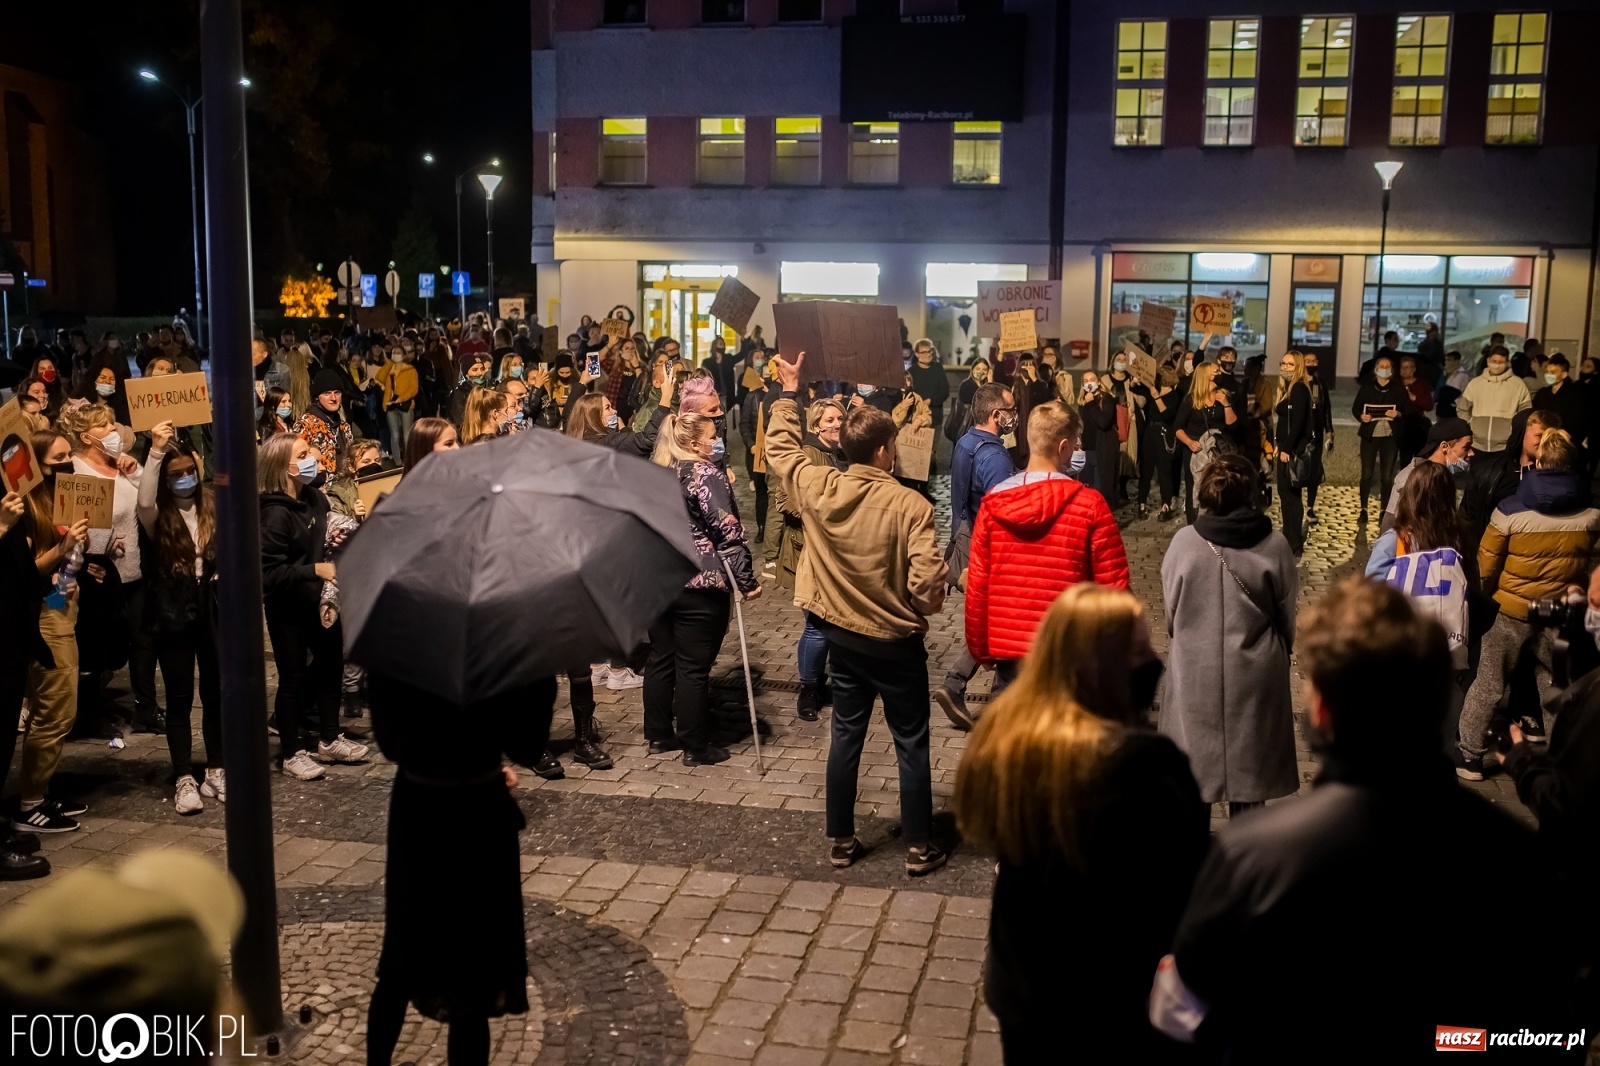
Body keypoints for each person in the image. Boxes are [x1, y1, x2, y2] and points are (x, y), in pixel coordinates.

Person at [1151, 577, 1576, 1063]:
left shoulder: (1253, 855)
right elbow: (1540, 1035)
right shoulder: (1519, 859)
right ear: (1438, 699)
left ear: (1324, 709)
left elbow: (1182, 1014)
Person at [956, 584, 1206, 1063]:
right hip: (1112, 1001)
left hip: (1025, 990)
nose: (1152, 660)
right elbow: (1182, 885)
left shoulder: (1009, 742)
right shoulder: (1147, 768)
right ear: (1101, 666)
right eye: (1137, 651)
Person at [765, 352, 951, 876]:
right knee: (911, 742)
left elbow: (781, 450)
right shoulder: (911, 507)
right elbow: (927, 584)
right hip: (895, 644)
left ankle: (842, 841)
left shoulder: (821, 488)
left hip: (842, 638)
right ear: (886, 449)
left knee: (846, 734)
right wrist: (929, 601)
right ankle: (918, 846)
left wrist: (787, 393)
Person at [364, 670, 549, 1066]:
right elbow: (528, 745)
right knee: (473, 977)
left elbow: (392, 742)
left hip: (420, 807)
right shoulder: (501, 645)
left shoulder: (399, 641)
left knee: (400, 956)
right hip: (477, 813)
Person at [962, 401, 1130, 719]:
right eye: (1076, 444)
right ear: (1064, 446)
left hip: (1011, 651)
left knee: (1014, 745)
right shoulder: (1090, 505)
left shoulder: (993, 503)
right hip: (1069, 650)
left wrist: (980, 647)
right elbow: (1114, 587)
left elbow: (978, 585)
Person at [1159, 454, 1298, 817]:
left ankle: (1195, 865)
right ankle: (1245, 864)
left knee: (1192, 781)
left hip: (1194, 671)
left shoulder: (1184, 543)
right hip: (1254, 675)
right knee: (1251, 785)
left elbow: (1171, 615)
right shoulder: (1275, 545)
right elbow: (1286, 616)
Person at [1460, 429, 1600, 768]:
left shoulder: (1509, 511)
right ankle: (1558, 758)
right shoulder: (1592, 514)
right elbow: (1590, 563)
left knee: (1489, 684)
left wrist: (1486, 598)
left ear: (1537, 463)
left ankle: (1470, 757)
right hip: (1560, 612)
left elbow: (1486, 565)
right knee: (1555, 685)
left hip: (1510, 611)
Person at [647, 410, 760, 767]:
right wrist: (747, 581)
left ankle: (660, 734)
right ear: (693, 441)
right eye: (712, 435)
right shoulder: (704, 474)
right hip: (699, 581)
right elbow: (727, 530)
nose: (717, 441)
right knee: (693, 666)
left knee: (661, 657)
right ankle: (695, 744)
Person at [258, 433, 369, 780]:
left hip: (322, 601)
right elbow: (266, 574)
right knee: (293, 677)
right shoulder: (274, 514)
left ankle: (330, 737)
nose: (313, 459)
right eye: (303, 454)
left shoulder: (314, 499)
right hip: (288, 607)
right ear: (283, 466)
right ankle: (292, 751)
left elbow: (322, 538)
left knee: (330, 666)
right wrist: (313, 569)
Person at [137, 422, 223, 815]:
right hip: (174, 612)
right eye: (176, 475)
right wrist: (155, 452)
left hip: (211, 610)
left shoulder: (211, 503)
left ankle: (217, 768)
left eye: (189, 471)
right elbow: (143, 504)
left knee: (216, 694)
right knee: (179, 697)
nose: (185, 478)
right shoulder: (159, 514)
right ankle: (184, 775)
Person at [64, 403, 159, 734]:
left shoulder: (122, 465)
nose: (114, 432)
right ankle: (87, 714)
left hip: (136, 570)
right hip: (101, 575)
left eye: (112, 424)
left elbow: (148, 502)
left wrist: (134, 471)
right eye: (105, 427)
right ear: (87, 437)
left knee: (144, 639)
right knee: (99, 645)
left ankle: (146, 708)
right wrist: (98, 551)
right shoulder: (76, 471)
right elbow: (69, 526)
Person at [937, 383, 1017, 727]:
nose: (1015, 416)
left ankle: (962, 686)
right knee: (1005, 619)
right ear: (996, 415)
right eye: (1011, 410)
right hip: (988, 544)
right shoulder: (994, 456)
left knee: (995, 619)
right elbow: (1004, 510)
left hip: (966, 534)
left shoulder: (967, 441)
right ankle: (985, 698)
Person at [774, 398, 847, 722]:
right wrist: (822, 514)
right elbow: (784, 500)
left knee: (832, 623)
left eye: (840, 419)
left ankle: (823, 681)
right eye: (829, 420)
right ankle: (808, 689)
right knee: (816, 625)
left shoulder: (843, 455)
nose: (835, 424)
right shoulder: (808, 454)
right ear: (816, 425)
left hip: (839, 554)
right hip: (809, 551)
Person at [1459, 408, 1553, 557]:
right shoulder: (1487, 472)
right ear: (1520, 434)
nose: (1545, 443)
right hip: (1490, 557)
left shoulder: (1556, 477)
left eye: (1549, 437)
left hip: (1533, 558)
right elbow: (1467, 519)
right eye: (1539, 436)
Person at [1379, 416, 1473, 534]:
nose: (1471, 453)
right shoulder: (1414, 479)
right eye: (1467, 447)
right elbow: (1393, 525)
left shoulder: (1443, 477)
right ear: (1444, 447)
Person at [1350, 353, 1413, 520]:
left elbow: (1408, 410)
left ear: (1392, 371)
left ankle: (1383, 510)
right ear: (1376, 370)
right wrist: (1361, 417)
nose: (1384, 369)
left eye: (1387, 367)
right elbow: (1356, 408)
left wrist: (1398, 413)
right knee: (1367, 474)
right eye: (1381, 366)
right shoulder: (1367, 388)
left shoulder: (1398, 389)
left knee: (1387, 476)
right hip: (1370, 436)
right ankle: (1363, 508)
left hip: (1390, 437)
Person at [1173, 362, 1237, 523]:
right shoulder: (1191, 400)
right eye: (1215, 372)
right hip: (1196, 450)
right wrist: (1189, 442)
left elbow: (1233, 424)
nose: (1218, 374)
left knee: (1219, 486)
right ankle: (1194, 524)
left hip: (1218, 449)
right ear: (1204, 376)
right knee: (1194, 487)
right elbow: (1177, 428)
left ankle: (1215, 520)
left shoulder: (1223, 396)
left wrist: (1226, 404)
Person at [1456, 343, 1532, 464]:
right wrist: (1470, 426)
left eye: (1501, 362)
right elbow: (1462, 409)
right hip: (1477, 445)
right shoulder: (1475, 384)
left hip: (1505, 446)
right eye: (1494, 361)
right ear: (1488, 361)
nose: (1497, 365)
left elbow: (1525, 413)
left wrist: (1514, 432)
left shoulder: (1518, 385)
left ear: (1507, 362)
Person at [1272, 351, 1314, 556]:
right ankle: (1288, 536)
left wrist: (1287, 448)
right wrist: (1279, 444)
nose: (1285, 367)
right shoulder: (1288, 388)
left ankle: (1294, 541)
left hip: (1292, 450)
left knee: (1292, 495)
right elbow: (1285, 423)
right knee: (1284, 494)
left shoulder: (1298, 389)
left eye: (1289, 364)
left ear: (1297, 366)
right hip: (1283, 446)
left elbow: (1297, 424)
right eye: (1283, 363)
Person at [1131, 361, 1180, 520]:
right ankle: (1141, 504)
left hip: (1164, 432)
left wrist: (1157, 398)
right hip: (1149, 431)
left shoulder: (1174, 396)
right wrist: (1135, 381)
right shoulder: (1151, 390)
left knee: (1164, 471)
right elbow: (1135, 388)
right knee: (1146, 470)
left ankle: (1166, 505)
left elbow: (1168, 415)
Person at [294, 369, 354, 478]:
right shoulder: (306, 424)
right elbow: (297, 461)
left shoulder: (344, 426)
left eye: (337, 392)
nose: (333, 398)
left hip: (346, 486)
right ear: (317, 397)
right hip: (321, 488)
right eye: (327, 393)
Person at [1532, 352, 1587, 460]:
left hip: (1563, 444)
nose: (1549, 375)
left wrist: (1561, 438)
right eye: (1547, 372)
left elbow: (1576, 422)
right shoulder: (1542, 394)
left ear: (1564, 374)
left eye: (1553, 372)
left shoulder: (1575, 396)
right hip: (1542, 441)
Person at [1077, 370, 1120, 504]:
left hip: (1102, 450)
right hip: (1087, 450)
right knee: (1087, 490)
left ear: (1099, 382)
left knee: (1101, 492)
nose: (1089, 383)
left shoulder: (1106, 398)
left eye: (1092, 379)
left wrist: (1091, 403)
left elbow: (1103, 422)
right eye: (1086, 381)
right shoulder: (1082, 402)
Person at [1301, 351, 1334, 523]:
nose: (1310, 363)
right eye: (1307, 361)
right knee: (1299, 469)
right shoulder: (1297, 383)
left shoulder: (1320, 383)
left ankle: (1310, 506)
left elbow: (1326, 407)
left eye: (1313, 361)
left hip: (1316, 433)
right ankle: (1297, 505)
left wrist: (1329, 430)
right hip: (1301, 433)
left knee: (1314, 471)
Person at [907, 338, 951, 451]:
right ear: (917, 354)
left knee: (932, 453)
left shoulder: (938, 369)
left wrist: (930, 401)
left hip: (935, 417)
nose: (928, 354)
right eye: (924, 352)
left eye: (929, 351)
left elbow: (944, 391)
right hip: (917, 418)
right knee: (918, 453)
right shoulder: (912, 372)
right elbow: (908, 394)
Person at [376, 345, 419, 457]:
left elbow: (413, 389)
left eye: (399, 352)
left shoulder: (410, 370)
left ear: (404, 355)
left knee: (406, 435)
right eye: (394, 352)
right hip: (390, 405)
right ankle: (397, 462)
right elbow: (379, 377)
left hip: (405, 405)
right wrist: (390, 363)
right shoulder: (389, 369)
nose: (396, 354)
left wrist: (401, 398)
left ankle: (410, 458)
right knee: (394, 435)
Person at [449, 353, 493, 427]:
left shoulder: (488, 389)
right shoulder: (459, 394)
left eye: (482, 369)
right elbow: (462, 420)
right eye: (475, 370)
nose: (480, 373)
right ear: (466, 374)